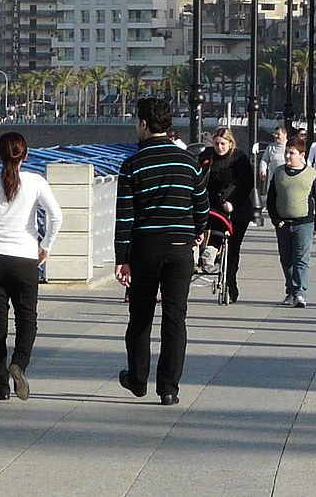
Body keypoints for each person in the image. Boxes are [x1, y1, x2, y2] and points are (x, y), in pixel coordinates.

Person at [115, 97, 209, 406]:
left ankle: (138, 379)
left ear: (143, 123)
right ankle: (169, 388)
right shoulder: (188, 163)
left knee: (140, 316)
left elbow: (125, 217)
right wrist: (195, 232)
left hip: (144, 249)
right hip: (180, 249)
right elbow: (202, 207)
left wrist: (122, 258)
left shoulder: (132, 165)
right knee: (175, 318)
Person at [0, 133, 63, 400]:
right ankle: (18, 364)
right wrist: (46, 245)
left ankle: (1, 388)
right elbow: (56, 215)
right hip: (25, 259)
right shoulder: (35, 182)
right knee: (27, 320)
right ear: (26, 155)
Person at [197, 127, 255, 303]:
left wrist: (233, 202)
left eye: (223, 144)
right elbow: (198, 177)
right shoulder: (208, 156)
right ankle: (207, 253)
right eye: (216, 144)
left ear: (230, 143)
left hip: (236, 207)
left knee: (233, 247)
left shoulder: (239, 158)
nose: (219, 147)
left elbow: (246, 184)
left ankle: (230, 282)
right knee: (204, 229)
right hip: (212, 205)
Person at [267, 136, 316, 307]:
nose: (287, 156)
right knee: (286, 258)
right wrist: (275, 220)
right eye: (286, 152)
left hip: (304, 223)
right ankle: (290, 290)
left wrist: (315, 223)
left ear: (302, 155)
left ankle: (300, 292)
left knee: (301, 258)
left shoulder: (312, 175)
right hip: (283, 223)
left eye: (292, 153)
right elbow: (271, 198)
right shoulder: (279, 173)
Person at [258, 127, 289, 194]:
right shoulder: (270, 147)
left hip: (286, 179)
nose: (275, 136)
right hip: (272, 179)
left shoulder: (290, 146)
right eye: (274, 134)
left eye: (278, 134)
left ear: (285, 134)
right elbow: (264, 160)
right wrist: (263, 170)